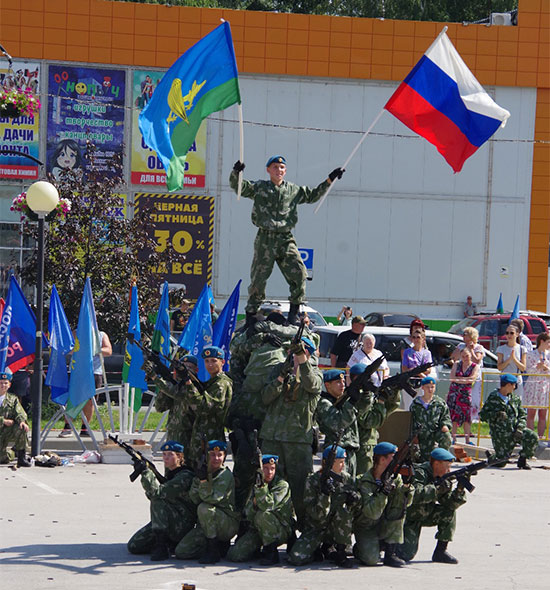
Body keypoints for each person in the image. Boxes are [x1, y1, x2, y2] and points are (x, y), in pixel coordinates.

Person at [230, 156, 344, 327]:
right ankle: (252, 314)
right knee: (258, 278)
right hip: (265, 238)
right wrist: (236, 172)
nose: (279, 170)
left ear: (285, 170)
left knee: (299, 272)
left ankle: (294, 312)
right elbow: (239, 187)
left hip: (285, 237)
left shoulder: (292, 190)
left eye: (282, 167)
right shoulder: (260, 187)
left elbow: (312, 195)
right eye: (275, 167)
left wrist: (330, 179)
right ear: (268, 170)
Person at [260, 336, 322, 526]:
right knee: (271, 485)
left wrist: (301, 361)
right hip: (272, 437)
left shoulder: (315, 373)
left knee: (300, 489)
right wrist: (280, 377)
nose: (292, 355)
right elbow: (265, 398)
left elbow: (312, 384)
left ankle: (304, 530)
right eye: (291, 352)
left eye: (296, 352)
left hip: (297, 440)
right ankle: (273, 529)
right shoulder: (278, 370)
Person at [288, 445, 360, 568]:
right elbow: (316, 514)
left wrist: (355, 498)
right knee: (296, 557)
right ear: (328, 463)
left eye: (343, 462)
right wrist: (324, 494)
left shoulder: (346, 479)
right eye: (340, 462)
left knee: (344, 512)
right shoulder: (313, 481)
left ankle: (340, 552)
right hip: (315, 527)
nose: (343, 466)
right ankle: (316, 550)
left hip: (336, 527)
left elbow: (357, 505)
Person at [127, 440, 196, 561]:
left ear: (179, 457)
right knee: (134, 546)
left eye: (170, 454)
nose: (166, 458)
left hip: (182, 523)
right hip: (169, 518)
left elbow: (156, 494)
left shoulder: (185, 476)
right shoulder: (171, 473)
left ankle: (161, 547)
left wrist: (146, 472)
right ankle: (167, 541)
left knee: (157, 501)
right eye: (164, 454)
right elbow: (152, 493)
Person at [397, 448, 467, 564]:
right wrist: (437, 489)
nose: (448, 470)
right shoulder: (420, 472)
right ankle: (385, 544)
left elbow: (449, 503)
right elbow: (415, 495)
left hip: (426, 514)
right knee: (405, 555)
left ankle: (441, 551)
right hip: (408, 518)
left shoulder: (442, 476)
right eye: (447, 466)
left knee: (449, 511)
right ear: (436, 463)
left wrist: (459, 489)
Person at [175, 440, 240, 563]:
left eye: (219, 455)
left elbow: (213, 499)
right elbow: (193, 498)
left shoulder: (225, 475)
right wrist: (200, 478)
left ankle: (213, 551)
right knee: (182, 551)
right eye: (212, 455)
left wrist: (203, 482)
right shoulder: (203, 471)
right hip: (207, 523)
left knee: (204, 507)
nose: (216, 458)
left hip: (226, 522)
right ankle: (217, 547)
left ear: (225, 456)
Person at [353, 442, 414, 568]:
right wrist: (383, 493)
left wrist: (407, 488)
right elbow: (372, 513)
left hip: (385, 522)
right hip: (367, 526)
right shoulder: (365, 481)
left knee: (398, 502)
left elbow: (406, 503)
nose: (395, 461)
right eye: (392, 457)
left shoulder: (395, 478)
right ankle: (361, 548)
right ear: (382, 459)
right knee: (371, 560)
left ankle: (390, 553)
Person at [227, 454, 294, 565]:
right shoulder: (256, 484)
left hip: (279, 529)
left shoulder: (282, 485)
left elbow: (267, 505)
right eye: (266, 468)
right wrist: (255, 501)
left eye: (272, 468)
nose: (269, 472)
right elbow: (248, 513)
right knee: (235, 555)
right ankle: (257, 550)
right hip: (259, 529)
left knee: (262, 515)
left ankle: (271, 553)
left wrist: (261, 491)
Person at [180, 346, 232, 467]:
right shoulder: (213, 381)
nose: (210, 365)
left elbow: (203, 407)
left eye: (214, 361)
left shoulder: (221, 384)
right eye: (207, 361)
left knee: (207, 478)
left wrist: (188, 383)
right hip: (202, 438)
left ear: (222, 362)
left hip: (211, 440)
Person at [315, 369, 369, 477]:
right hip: (336, 453)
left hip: (351, 452)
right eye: (338, 382)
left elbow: (361, 411)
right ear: (328, 385)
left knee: (350, 487)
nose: (342, 385)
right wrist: (351, 403)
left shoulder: (344, 400)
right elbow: (338, 423)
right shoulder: (324, 403)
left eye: (343, 381)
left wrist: (366, 394)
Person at [349, 363, 400, 475]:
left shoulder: (369, 396)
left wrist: (395, 391)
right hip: (362, 446)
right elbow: (370, 422)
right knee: (363, 480)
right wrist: (381, 401)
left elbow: (389, 407)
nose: (369, 381)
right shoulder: (354, 398)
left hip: (369, 445)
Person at [59, 330, 112, 438]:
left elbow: (108, 351)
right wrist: (81, 349)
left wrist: (95, 350)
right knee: (72, 398)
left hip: (94, 372)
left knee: (90, 400)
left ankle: (85, 427)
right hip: (77, 371)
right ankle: (68, 426)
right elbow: (67, 349)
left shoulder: (101, 335)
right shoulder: (76, 333)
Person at [479, 373, 538, 469]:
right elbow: (483, 415)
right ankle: (493, 457)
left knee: (532, 437)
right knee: (501, 462)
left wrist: (519, 428)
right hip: (501, 435)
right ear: (508, 385)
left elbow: (522, 415)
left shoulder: (514, 398)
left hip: (515, 431)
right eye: (514, 385)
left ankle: (523, 459)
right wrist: (496, 414)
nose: (515, 387)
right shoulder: (493, 397)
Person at [151, 354, 198, 450]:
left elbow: (178, 394)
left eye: (189, 367)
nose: (185, 369)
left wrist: (155, 378)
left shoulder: (195, 386)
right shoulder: (176, 385)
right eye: (183, 366)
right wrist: (168, 380)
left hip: (189, 434)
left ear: (196, 370)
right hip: (173, 433)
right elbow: (160, 407)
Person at [410, 376, 452, 461]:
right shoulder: (416, 404)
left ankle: (443, 459)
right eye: (427, 387)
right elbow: (410, 421)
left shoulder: (439, 403)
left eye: (432, 387)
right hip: (420, 435)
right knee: (418, 457)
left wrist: (445, 425)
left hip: (434, 433)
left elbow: (445, 417)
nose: (430, 389)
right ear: (422, 388)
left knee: (446, 437)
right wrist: (414, 435)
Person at [451, 326, 485, 420]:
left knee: (474, 399)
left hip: (474, 377)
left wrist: (471, 350)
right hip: (462, 376)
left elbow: (477, 360)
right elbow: (453, 357)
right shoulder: (461, 346)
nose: (463, 336)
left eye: (465, 334)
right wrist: (460, 351)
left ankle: (474, 419)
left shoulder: (478, 347)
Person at [447, 348, 479, 445]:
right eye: (463, 356)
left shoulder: (474, 366)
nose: (465, 358)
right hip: (454, 393)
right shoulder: (457, 364)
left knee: (466, 417)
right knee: (453, 416)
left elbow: (472, 379)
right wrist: (464, 380)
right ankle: (453, 438)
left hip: (465, 394)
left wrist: (459, 379)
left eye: (467, 356)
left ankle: (467, 439)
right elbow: (452, 377)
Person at [0, 370, 31, 467]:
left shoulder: (13, 399)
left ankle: (21, 458)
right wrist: (3, 421)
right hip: (3, 425)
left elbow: (19, 412)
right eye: (0, 383)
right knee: (2, 459)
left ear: (9, 385)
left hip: (7, 430)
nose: (3, 385)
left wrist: (22, 421)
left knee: (21, 428)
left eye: (5, 383)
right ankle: (13, 452)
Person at [524, 333, 550, 439]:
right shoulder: (531, 354)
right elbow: (527, 370)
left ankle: (540, 437)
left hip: (544, 386)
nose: (549, 345)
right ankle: (530, 439)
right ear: (542, 342)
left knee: (543, 414)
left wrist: (546, 368)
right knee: (531, 413)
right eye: (548, 342)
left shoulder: (549, 355)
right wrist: (537, 367)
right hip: (533, 385)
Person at [401, 329, 433, 409]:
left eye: (418, 337)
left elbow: (429, 369)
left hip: (422, 383)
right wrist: (413, 371)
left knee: (422, 407)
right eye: (414, 337)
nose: (416, 339)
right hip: (409, 383)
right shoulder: (407, 352)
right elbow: (404, 368)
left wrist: (418, 373)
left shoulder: (427, 353)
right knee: (408, 408)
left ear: (423, 339)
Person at [496, 323, 526, 400]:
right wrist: (509, 360)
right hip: (504, 380)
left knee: (517, 402)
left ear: (517, 334)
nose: (509, 335)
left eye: (511, 333)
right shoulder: (501, 349)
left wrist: (514, 359)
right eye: (507, 333)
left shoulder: (522, 349)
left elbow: (523, 368)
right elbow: (499, 367)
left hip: (516, 380)